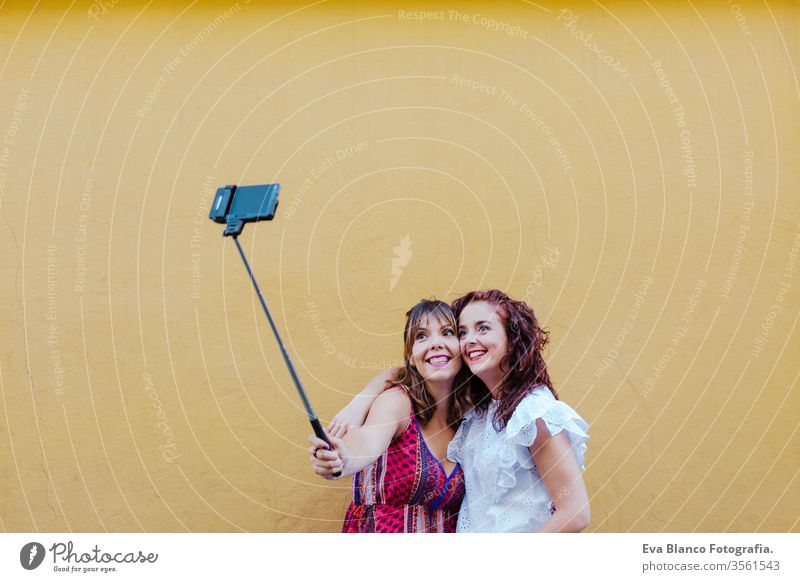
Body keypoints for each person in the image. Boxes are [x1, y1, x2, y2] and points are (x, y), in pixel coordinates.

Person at [329, 289, 590, 533]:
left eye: (483, 328)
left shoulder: (533, 412)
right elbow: (371, 433)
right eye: (463, 332)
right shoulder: (477, 415)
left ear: (512, 338)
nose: (470, 340)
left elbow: (575, 513)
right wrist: (360, 405)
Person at [308, 299, 473, 532]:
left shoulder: (469, 417)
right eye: (422, 336)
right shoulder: (397, 402)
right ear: (410, 357)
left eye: (447, 333)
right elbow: (368, 439)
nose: (435, 343)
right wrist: (341, 457)